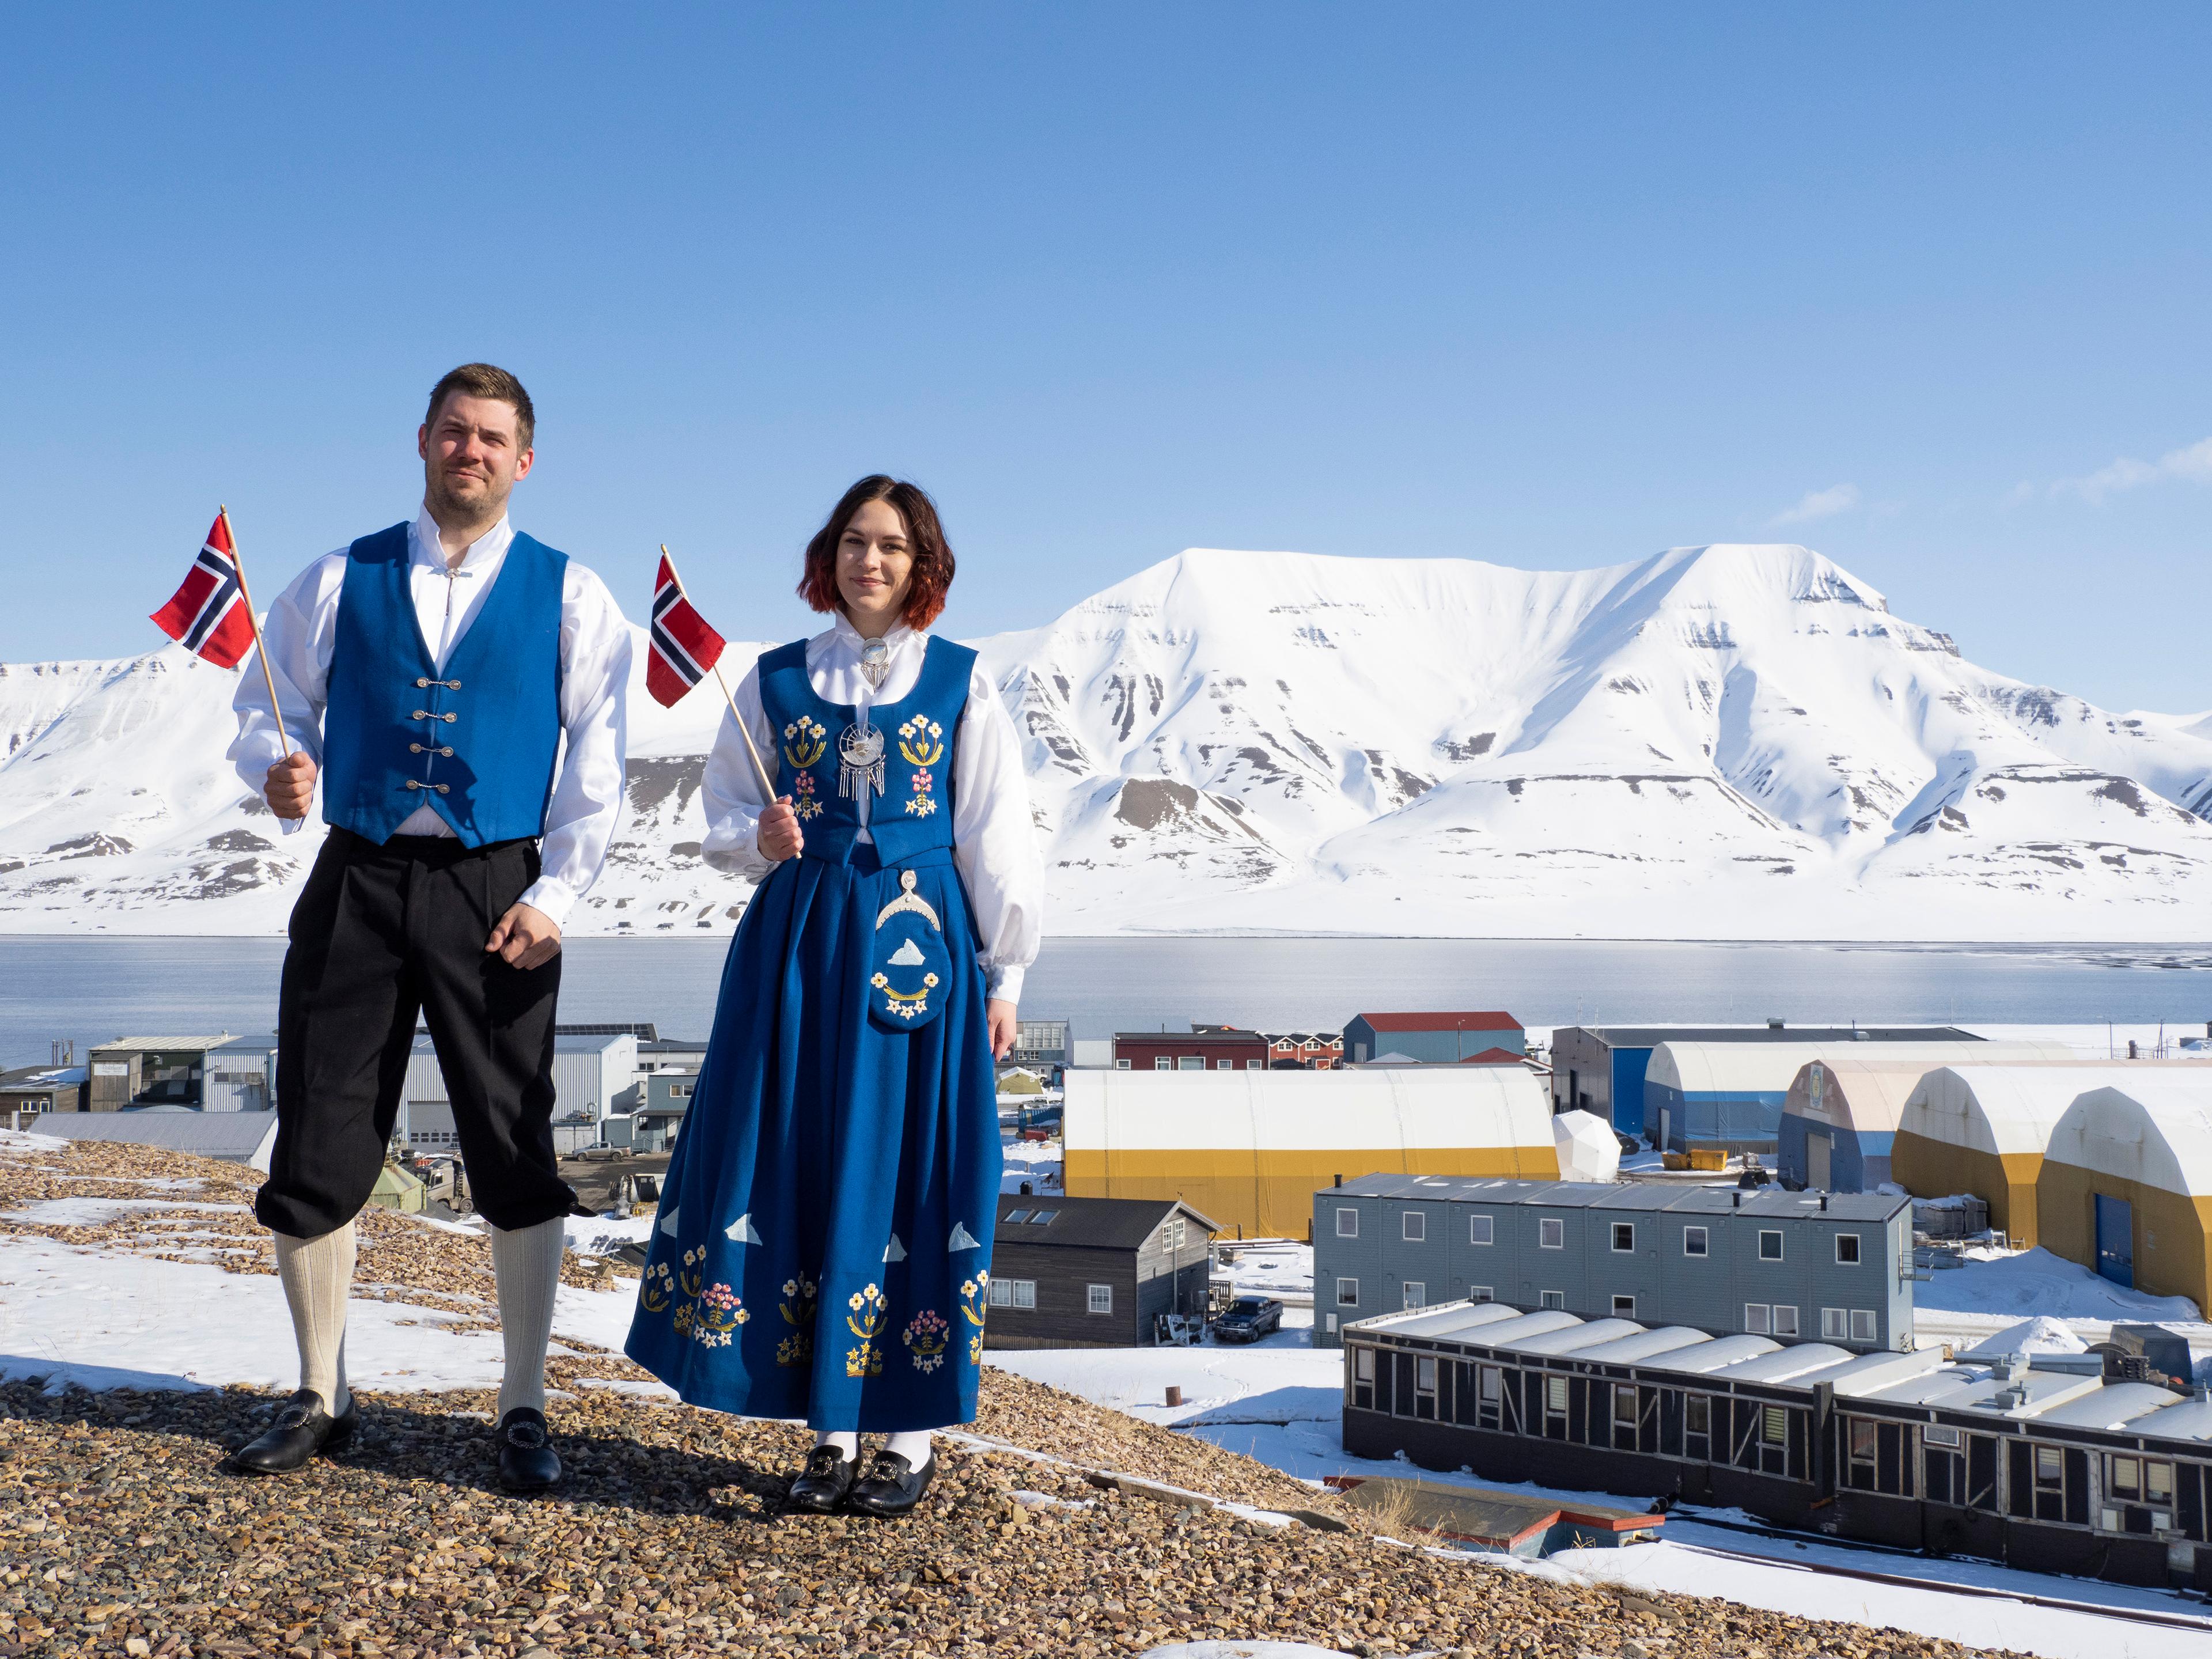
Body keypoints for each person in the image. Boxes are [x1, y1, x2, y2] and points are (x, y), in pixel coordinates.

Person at [225, 363, 631, 1489]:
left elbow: (599, 766)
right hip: (355, 876)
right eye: (456, 432)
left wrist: (557, 900)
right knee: (319, 1133)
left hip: (498, 888)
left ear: (525, 460)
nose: (472, 451)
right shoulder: (337, 577)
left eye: (494, 438)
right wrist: (278, 771)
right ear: (421, 441)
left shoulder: (574, 595)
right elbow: (268, 709)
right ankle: (321, 1392)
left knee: (512, 1142)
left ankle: (523, 1407)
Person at [624, 475, 1041, 1517]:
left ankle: (905, 1434)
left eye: (894, 546)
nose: (872, 560)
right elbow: (723, 811)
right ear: (830, 555)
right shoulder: (772, 679)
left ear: (923, 564)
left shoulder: (961, 683)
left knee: (909, 1172)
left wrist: (1009, 974)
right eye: (856, 541)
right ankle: (828, 1427)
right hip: (798, 948)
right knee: (802, 1161)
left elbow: (996, 833)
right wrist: (752, 839)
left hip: (919, 948)